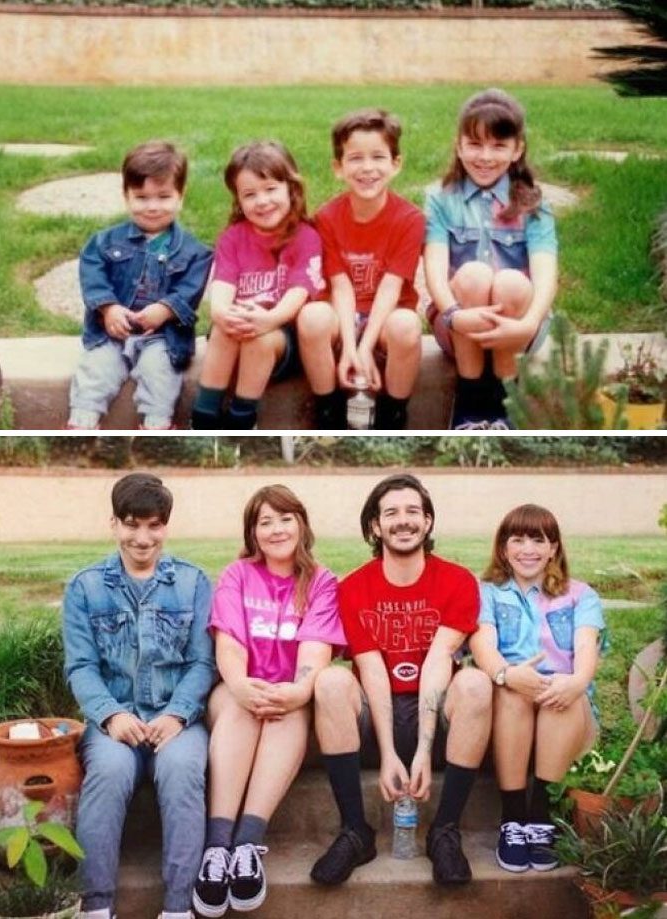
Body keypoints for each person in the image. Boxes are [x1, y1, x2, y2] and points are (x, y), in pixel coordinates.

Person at [309, 474, 492, 888]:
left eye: (413, 511)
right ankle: (355, 831)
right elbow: (371, 670)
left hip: (437, 715)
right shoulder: (353, 587)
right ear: (375, 526)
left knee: (475, 684)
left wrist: (423, 750)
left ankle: (445, 830)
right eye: (391, 513)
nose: (403, 520)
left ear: (428, 521)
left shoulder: (457, 581)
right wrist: (390, 753)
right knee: (331, 682)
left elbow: (438, 662)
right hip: (376, 717)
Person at [63, 473, 215, 919]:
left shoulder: (192, 582)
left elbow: (202, 663)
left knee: (182, 771)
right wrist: (110, 716)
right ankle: (95, 905)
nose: (143, 538)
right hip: (113, 719)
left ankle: (178, 907)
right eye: (132, 525)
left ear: (166, 526)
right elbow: (81, 666)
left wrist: (178, 715)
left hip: (176, 719)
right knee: (109, 773)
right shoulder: (85, 586)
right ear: (114, 523)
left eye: (154, 526)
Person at [193, 484, 345, 916]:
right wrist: (242, 685)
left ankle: (246, 846)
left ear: (302, 524)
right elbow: (230, 645)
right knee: (242, 708)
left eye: (285, 518)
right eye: (265, 522)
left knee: (286, 714)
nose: (277, 529)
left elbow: (314, 653)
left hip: (290, 695)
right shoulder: (238, 575)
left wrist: (298, 691)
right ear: (253, 533)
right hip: (235, 690)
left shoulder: (321, 581)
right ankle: (216, 848)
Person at [470, 504, 606, 873]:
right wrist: (506, 674)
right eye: (517, 540)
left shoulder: (580, 595)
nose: (527, 549)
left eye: (538, 540)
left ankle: (542, 817)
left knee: (559, 695)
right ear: (503, 548)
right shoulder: (488, 593)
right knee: (512, 693)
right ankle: (513, 819)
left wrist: (575, 682)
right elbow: (483, 645)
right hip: (510, 697)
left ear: (553, 548)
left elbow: (586, 648)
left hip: (568, 706)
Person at [423, 88, 558, 430]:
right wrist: (454, 316)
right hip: (457, 325)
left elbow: (545, 276)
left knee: (511, 281)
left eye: (498, 145)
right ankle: (468, 400)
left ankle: (505, 399)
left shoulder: (533, 203)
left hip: (519, 326)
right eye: (475, 144)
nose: (485, 157)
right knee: (473, 275)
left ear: (517, 149)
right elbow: (434, 272)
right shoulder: (441, 199)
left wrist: (527, 325)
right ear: (459, 146)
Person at [67, 140, 213, 431]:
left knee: (159, 371)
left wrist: (165, 309)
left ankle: (156, 425)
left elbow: (189, 290)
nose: (152, 207)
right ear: (126, 196)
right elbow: (93, 276)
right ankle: (82, 422)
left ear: (181, 195)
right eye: (142, 197)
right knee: (96, 369)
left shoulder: (195, 252)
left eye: (163, 196)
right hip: (112, 331)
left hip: (163, 336)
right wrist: (108, 308)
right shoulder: (104, 242)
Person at [297, 109, 425, 430]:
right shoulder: (327, 218)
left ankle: (393, 414)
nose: (367, 168)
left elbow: (392, 288)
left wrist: (366, 347)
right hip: (342, 315)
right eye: (355, 158)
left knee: (407, 325)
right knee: (311, 317)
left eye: (378, 157)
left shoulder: (410, 220)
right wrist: (350, 350)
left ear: (396, 164)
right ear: (338, 168)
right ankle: (328, 410)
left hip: (385, 318)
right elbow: (340, 287)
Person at [190, 142, 326, 430]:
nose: (262, 201)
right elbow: (223, 286)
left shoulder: (306, 237)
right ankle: (203, 416)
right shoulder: (233, 237)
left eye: (270, 189)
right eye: (250, 194)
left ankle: (242, 418)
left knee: (258, 339)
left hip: (283, 337)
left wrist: (269, 319)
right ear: (238, 200)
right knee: (224, 329)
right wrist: (221, 313)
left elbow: (298, 293)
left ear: (291, 188)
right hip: (239, 327)